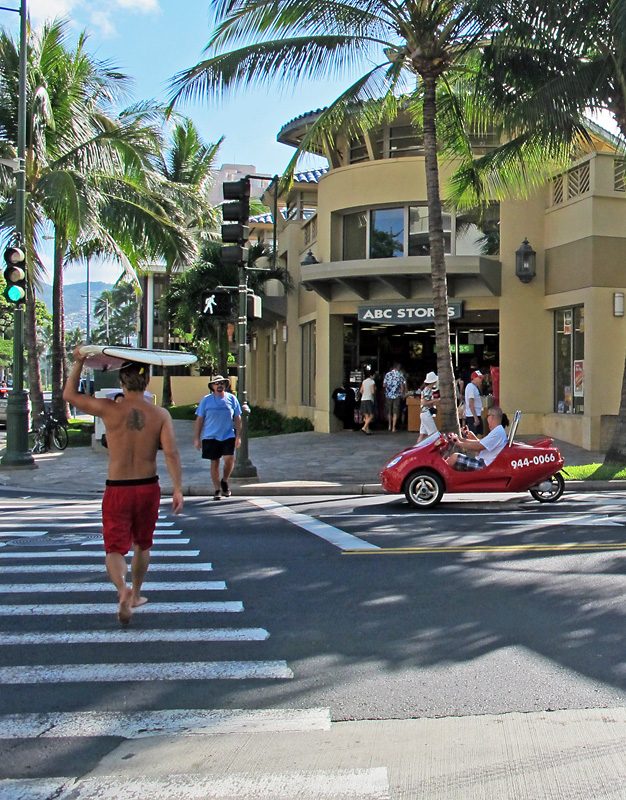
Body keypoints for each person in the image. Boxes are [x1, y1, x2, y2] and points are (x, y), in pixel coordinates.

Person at [63, 349, 184, 626]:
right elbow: (171, 453)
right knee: (143, 544)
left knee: (115, 549)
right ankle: (137, 593)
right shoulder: (160, 414)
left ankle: (122, 589)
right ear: (147, 380)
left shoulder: (109, 409)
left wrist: (79, 361)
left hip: (117, 487)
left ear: (121, 382)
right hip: (147, 486)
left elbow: (69, 396)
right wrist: (177, 487)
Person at [194, 375, 242, 501]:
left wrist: (238, 436)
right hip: (210, 436)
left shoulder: (232, 399)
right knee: (214, 462)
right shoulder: (206, 400)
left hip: (227, 435)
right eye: (217, 383)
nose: (220, 385)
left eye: (222, 383)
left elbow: (237, 418)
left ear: (225, 386)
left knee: (229, 459)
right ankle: (217, 490)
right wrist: (197, 438)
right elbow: (200, 419)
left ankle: (225, 480)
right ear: (213, 386)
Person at [446, 406, 508, 471]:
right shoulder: (497, 431)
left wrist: (459, 443)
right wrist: (460, 439)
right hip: (483, 462)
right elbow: (479, 443)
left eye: (487, 416)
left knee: (454, 458)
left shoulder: (498, 432)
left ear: (491, 417)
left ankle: (441, 479)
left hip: (484, 465)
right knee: (453, 457)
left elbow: (479, 447)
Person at [383, 363, 407, 432]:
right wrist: (402, 394)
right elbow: (402, 386)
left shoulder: (387, 374)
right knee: (395, 412)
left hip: (388, 395)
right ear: (398, 368)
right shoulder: (400, 375)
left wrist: (388, 388)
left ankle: (389, 426)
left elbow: (384, 385)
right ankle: (393, 427)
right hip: (397, 395)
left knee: (389, 411)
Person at [417, 371, 439, 443]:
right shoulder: (428, 390)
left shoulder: (426, 390)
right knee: (434, 434)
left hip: (423, 413)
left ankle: (417, 448)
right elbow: (424, 403)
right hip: (426, 413)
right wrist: (434, 401)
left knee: (422, 434)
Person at [464, 369, 485, 435]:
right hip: (473, 415)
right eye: (479, 378)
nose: (481, 380)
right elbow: (471, 403)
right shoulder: (471, 387)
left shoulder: (474, 387)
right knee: (475, 434)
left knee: (479, 434)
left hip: (476, 414)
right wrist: (475, 417)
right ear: (474, 378)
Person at [359, 369, 376, 435]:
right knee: (371, 415)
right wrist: (373, 394)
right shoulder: (372, 382)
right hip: (369, 399)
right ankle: (364, 427)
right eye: (374, 375)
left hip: (363, 399)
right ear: (372, 375)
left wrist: (365, 393)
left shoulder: (364, 381)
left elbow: (361, 391)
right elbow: (373, 392)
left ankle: (367, 430)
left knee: (366, 415)